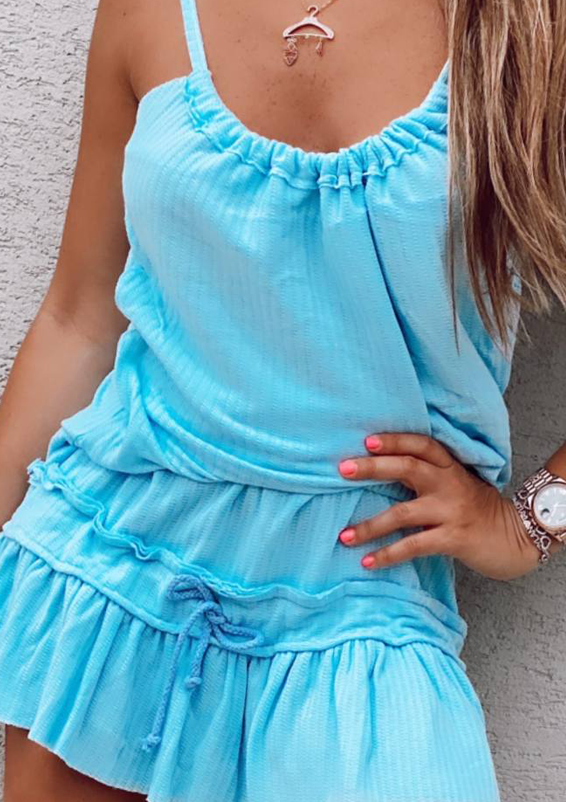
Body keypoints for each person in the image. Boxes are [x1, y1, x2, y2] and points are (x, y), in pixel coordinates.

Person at [1, 0, 565, 800]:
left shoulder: (527, 27)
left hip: (361, 596)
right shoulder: (150, 12)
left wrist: (530, 524)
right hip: (113, 578)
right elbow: (80, 318)